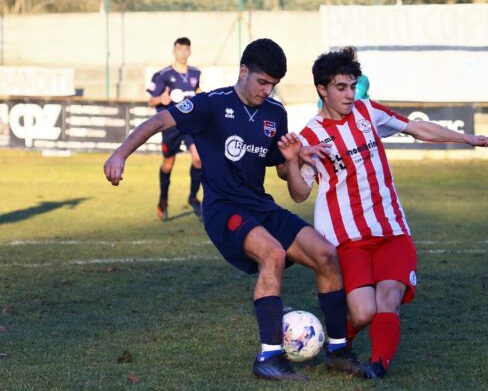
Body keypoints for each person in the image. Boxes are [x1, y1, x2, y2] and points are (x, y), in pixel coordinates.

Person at [104, 38, 365, 381]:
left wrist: (293, 158)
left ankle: (338, 351)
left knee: (326, 254)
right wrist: (121, 153)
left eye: (273, 84)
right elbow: (158, 122)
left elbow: (282, 170)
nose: (267, 90)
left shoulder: (275, 113)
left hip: (259, 205)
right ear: (243, 71)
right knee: (271, 253)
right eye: (262, 82)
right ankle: (269, 358)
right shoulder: (210, 104)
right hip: (223, 208)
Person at [278, 47, 488, 379]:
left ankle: (378, 365)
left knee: (390, 297)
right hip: (348, 238)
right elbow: (298, 194)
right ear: (322, 89)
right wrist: (294, 161)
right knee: (364, 312)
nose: (350, 94)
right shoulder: (311, 135)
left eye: (353, 86)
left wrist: (467, 138)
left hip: (391, 228)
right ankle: (338, 345)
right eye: (341, 87)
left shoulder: (368, 112)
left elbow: (417, 128)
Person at [147, 37, 203, 221]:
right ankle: (163, 199)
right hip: (171, 125)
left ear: (190, 51)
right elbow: (151, 101)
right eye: (180, 49)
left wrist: (203, 97)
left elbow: (197, 91)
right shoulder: (163, 75)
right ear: (174, 51)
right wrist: (160, 100)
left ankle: (193, 197)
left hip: (190, 124)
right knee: (168, 164)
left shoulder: (195, 73)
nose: (183, 53)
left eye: (186, 49)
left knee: (198, 159)